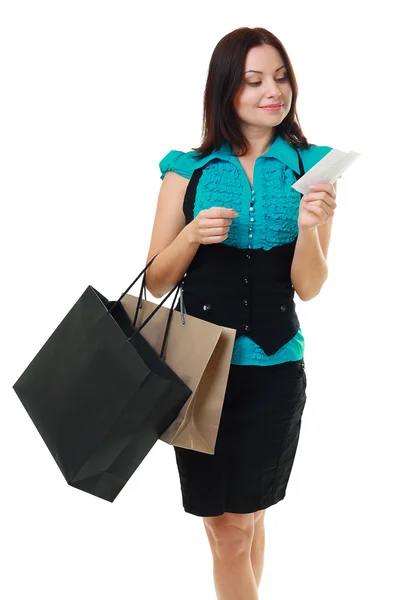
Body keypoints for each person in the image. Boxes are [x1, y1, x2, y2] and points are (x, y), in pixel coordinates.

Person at [145, 26, 337, 600]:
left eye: (280, 77)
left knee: (246, 522)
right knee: (226, 529)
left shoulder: (314, 168)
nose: (272, 91)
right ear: (226, 89)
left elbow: (311, 287)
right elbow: (155, 279)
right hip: (197, 373)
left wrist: (309, 227)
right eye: (254, 80)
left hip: (276, 368)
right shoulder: (189, 169)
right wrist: (193, 238)